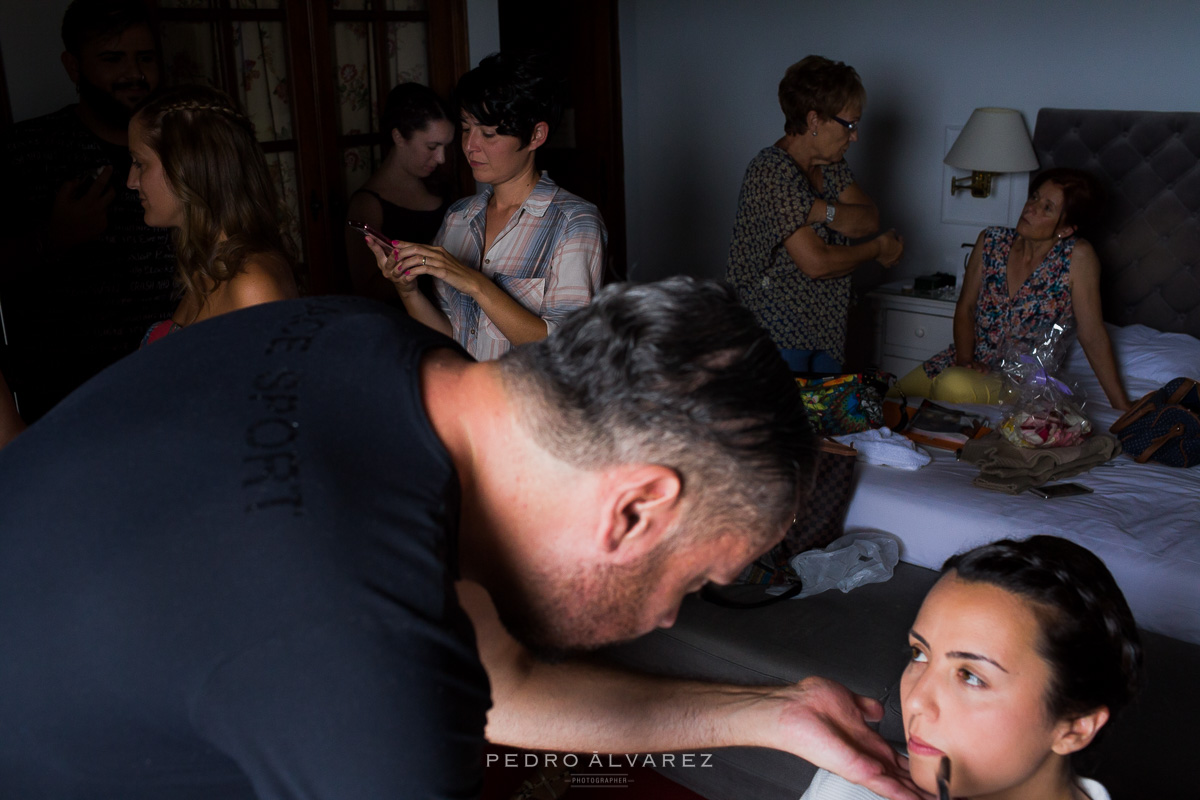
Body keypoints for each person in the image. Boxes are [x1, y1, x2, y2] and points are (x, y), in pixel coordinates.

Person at [0, 277, 922, 800]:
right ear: (635, 509)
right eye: (697, 579)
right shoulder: (359, 651)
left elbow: (498, 687)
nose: (672, 613)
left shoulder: (358, 336)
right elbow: (403, 673)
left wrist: (768, 714)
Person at [800, 535, 1142, 800]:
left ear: (1075, 727)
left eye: (971, 676)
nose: (915, 702)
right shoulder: (851, 785)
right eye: (919, 653)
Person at [363, 50, 607, 361]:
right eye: (466, 128)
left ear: (536, 135)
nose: (469, 146)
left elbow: (571, 351)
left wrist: (477, 284)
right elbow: (450, 339)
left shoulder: (574, 222)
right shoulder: (458, 218)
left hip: (527, 407)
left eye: (488, 134)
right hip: (466, 399)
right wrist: (407, 290)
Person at [0, 0, 176, 423]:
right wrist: (51, 239)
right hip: (67, 406)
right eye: (113, 59)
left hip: (175, 385)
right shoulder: (27, 151)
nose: (135, 74)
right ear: (73, 66)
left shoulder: (181, 147)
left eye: (146, 58)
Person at [894, 168, 1130, 409]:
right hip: (965, 361)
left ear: (1066, 229)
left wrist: (1121, 406)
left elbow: (1092, 335)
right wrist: (965, 361)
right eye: (1034, 197)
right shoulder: (991, 241)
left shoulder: (1077, 258)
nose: (1031, 208)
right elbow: (966, 307)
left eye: (1047, 207)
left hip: (1020, 381)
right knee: (886, 399)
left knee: (951, 384)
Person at [727, 55, 904, 374]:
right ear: (813, 120)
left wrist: (819, 210)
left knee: (829, 424)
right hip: (775, 336)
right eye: (849, 124)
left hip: (828, 332)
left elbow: (869, 220)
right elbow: (817, 263)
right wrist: (878, 249)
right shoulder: (769, 172)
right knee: (783, 423)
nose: (855, 136)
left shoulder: (831, 166)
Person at [130, 84, 299, 345]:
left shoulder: (252, 285)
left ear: (186, 165)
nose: (131, 181)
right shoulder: (208, 264)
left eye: (139, 163)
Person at [343, 82, 457, 306]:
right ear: (399, 137)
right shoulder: (367, 204)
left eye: (446, 147)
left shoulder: (441, 186)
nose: (441, 158)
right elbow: (367, 291)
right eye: (432, 147)